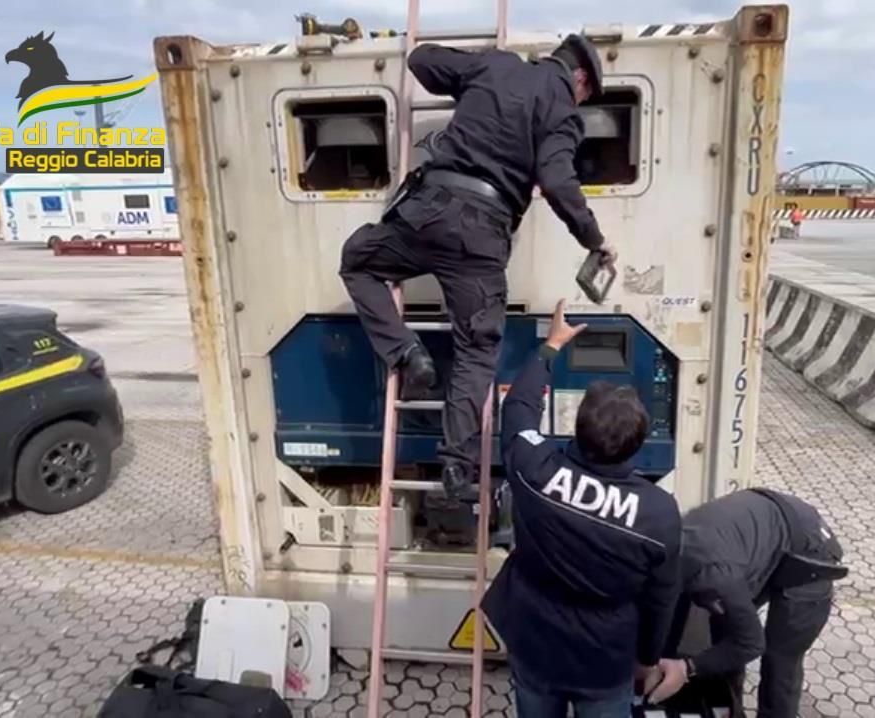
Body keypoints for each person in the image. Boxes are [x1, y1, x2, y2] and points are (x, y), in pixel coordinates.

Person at [338, 35, 617, 499]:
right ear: (581, 77)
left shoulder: (495, 66)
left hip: (426, 213)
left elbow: (422, 60)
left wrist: (470, 68)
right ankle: (455, 463)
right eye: (587, 94)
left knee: (358, 261)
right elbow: (556, 181)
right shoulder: (562, 113)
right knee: (476, 349)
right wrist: (595, 238)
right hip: (482, 236)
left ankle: (406, 352)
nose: (582, 100)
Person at [481, 300, 682, 718]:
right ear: (636, 445)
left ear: (578, 428)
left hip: (536, 648)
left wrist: (551, 346)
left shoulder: (534, 467)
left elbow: (517, 407)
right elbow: (660, 601)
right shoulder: (658, 514)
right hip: (604, 664)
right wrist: (647, 659)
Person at [640, 489, 847, 718]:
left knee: (780, 661)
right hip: (758, 530)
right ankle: (729, 707)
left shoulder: (713, 575)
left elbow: (751, 643)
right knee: (724, 628)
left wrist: (686, 668)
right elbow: (669, 609)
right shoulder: (666, 554)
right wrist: (656, 660)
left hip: (810, 554)